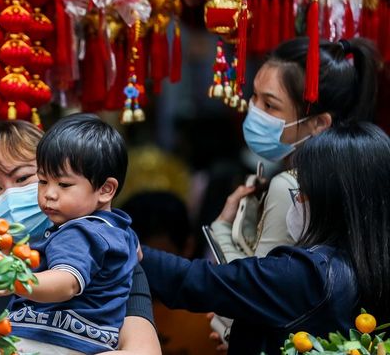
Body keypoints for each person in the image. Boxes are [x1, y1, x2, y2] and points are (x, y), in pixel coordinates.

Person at [141, 122, 390, 355]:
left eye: (303, 190)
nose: (298, 199)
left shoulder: (311, 275)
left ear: (331, 199)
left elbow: (200, 281)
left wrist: (127, 247)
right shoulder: (370, 267)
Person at [0, 119, 161, 355]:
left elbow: (143, 352)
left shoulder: (87, 238)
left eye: (22, 179)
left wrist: (15, 280)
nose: (49, 194)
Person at [212, 37, 379, 261]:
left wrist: (222, 227)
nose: (254, 110)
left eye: (270, 105)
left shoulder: (289, 188)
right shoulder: (350, 178)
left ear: (319, 123)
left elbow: (253, 289)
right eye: (254, 96)